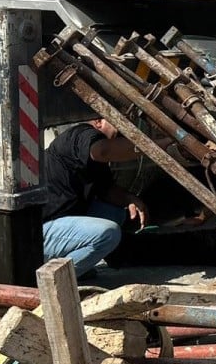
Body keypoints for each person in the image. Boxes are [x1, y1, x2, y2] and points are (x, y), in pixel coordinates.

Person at [41, 118, 153, 276]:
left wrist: (131, 199)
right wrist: (157, 146)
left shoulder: (91, 158)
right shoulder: (81, 134)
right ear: (98, 121)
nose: (123, 129)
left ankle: (76, 265)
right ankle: (54, 279)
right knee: (109, 233)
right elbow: (102, 151)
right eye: (116, 120)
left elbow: (106, 190)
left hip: (61, 221)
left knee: (116, 214)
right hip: (41, 233)